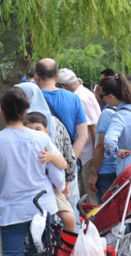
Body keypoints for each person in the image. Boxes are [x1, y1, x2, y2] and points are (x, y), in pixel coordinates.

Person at [0, 87, 64, 256]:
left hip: (12, 209)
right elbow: (58, 178)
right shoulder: (41, 138)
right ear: (26, 111)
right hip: (43, 206)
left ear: (1, 110)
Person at [36, 58, 88, 232]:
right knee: (71, 217)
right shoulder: (73, 99)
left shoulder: (30, 99)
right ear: (57, 77)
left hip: (38, 169)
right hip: (67, 172)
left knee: (39, 221)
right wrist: (67, 162)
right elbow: (83, 136)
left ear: (37, 77)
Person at [24, 112, 76, 232]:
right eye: (29, 129)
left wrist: (52, 157)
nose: (34, 133)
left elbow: (64, 164)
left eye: (38, 129)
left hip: (51, 188)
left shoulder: (48, 146)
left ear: (46, 131)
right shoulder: (22, 145)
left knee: (69, 218)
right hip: (30, 188)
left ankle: (68, 245)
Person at [56, 68, 101, 205]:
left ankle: (92, 225)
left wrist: (95, 159)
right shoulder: (84, 92)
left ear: (63, 87)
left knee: (89, 196)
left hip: (88, 154)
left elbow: (93, 128)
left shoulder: (79, 98)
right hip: (86, 153)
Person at [88, 82, 117, 204]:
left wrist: (94, 173)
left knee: (107, 210)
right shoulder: (123, 111)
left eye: (101, 95)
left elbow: (101, 145)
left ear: (110, 97)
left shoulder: (107, 113)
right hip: (119, 168)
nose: (97, 97)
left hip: (106, 170)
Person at [101, 74, 131, 176]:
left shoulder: (120, 116)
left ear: (111, 97)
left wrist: (116, 151)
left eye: (102, 95)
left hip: (126, 171)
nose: (102, 99)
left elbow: (109, 141)